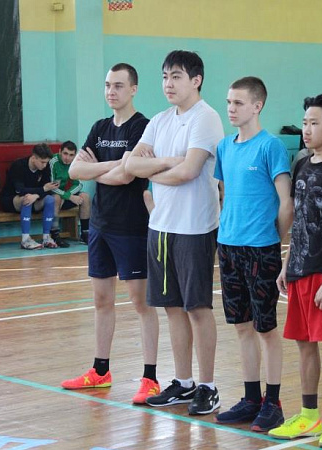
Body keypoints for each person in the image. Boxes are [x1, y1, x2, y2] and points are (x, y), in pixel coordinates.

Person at [126, 50, 224, 415]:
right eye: (165, 76)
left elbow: (190, 171)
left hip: (194, 228)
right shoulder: (160, 120)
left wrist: (152, 170)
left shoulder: (206, 118)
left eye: (176, 76)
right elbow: (131, 165)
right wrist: (167, 163)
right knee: (171, 308)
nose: (168, 83)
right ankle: (184, 382)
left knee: (196, 308)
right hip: (160, 226)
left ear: (196, 80)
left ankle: (208, 386)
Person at [61, 63, 161, 405]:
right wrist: (113, 164)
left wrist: (99, 169)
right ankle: (100, 371)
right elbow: (75, 170)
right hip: (100, 225)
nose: (111, 91)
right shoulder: (99, 127)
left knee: (141, 303)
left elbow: (126, 177)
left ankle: (150, 378)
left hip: (131, 227)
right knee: (101, 301)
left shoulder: (142, 128)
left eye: (118, 85)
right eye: (107, 85)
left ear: (133, 89)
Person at [268, 94, 322, 449]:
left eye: (314, 123)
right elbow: (301, 220)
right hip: (299, 270)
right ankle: (308, 415)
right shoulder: (302, 163)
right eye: (304, 122)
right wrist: (287, 263)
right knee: (304, 345)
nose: (306, 129)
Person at [212, 77, 292, 431]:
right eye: (229, 102)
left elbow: (286, 203)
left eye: (238, 103)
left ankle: (273, 402)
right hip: (228, 247)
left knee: (265, 328)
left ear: (257, 106)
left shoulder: (271, 146)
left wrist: (273, 239)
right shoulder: (224, 147)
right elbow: (225, 193)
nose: (231, 109)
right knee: (242, 326)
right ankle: (251, 398)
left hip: (261, 249)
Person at [0, 144, 60, 250]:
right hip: (12, 200)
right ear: (33, 158)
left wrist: (37, 194)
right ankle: (25, 239)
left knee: (50, 199)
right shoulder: (18, 166)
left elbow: (48, 189)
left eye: (46, 162)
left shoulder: (45, 168)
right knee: (27, 198)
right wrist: (41, 190)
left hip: (35, 199)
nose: (45, 165)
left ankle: (46, 237)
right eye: (42, 162)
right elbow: (20, 190)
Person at [48, 141, 91, 247]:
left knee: (85, 197)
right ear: (60, 152)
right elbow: (50, 186)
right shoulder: (53, 162)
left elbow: (78, 184)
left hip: (65, 195)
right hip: (52, 195)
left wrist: (68, 195)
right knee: (56, 198)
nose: (67, 158)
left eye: (71, 155)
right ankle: (54, 235)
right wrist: (69, 196)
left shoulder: (75, 163)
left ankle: (85, 234)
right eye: (65, 154)